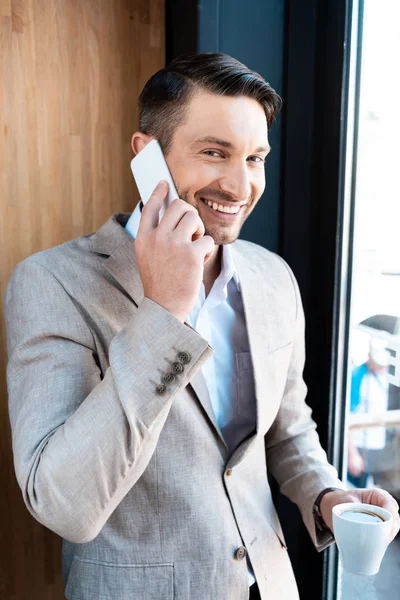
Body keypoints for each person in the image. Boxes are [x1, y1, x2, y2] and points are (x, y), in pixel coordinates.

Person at [5, 53, 399, 600]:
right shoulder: (52, 283)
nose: (241, 186)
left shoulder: (273, 278)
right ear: (148, 156)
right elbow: (63, 504)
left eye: (255, 158)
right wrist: (163, 313)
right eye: (215, 152)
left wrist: (327, 495)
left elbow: (285, 431)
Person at [347, 336, 390, 488]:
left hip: (377, 446)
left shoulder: (386, 375)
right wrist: (352, 454)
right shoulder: (358, 376)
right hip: (359, 445)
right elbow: (348, 416)